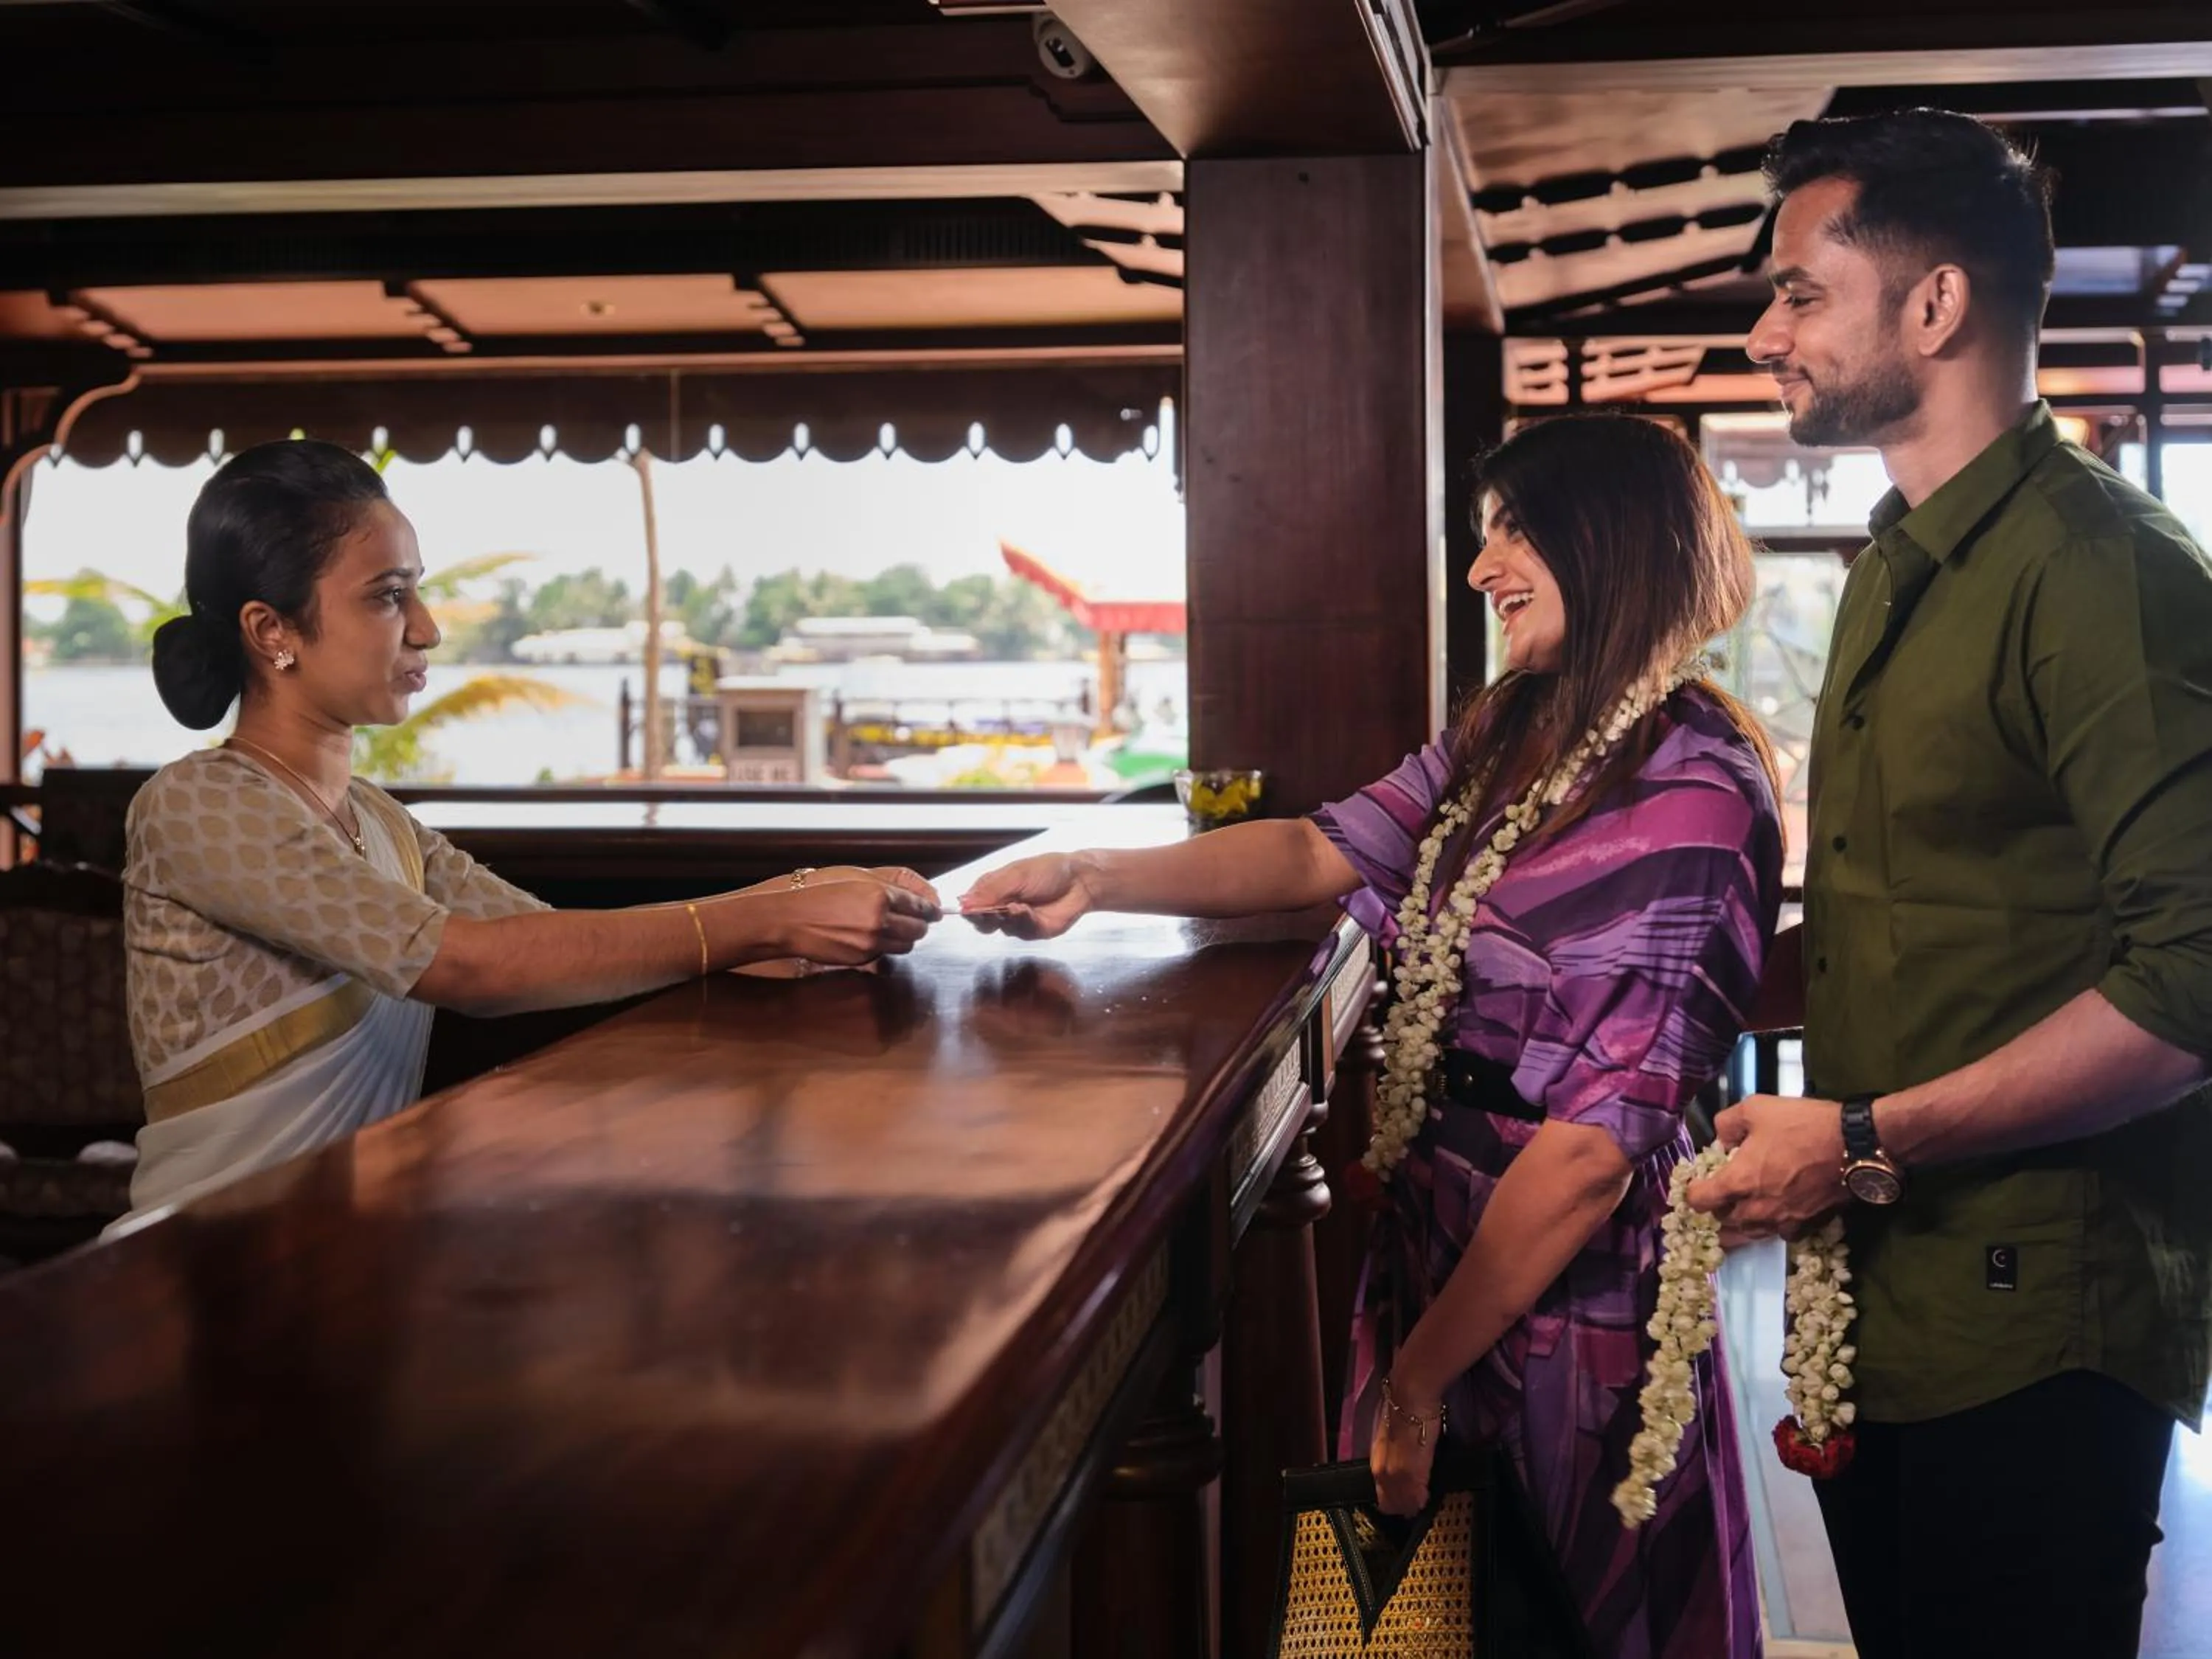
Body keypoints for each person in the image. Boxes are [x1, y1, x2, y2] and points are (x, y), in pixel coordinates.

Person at [964, 414, 1783, 1659]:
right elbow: (1324, 847)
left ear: (1609, 540)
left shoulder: (1696, 790)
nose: (1480, 569)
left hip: (1567, 1297)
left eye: (1512, 531)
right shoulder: (1514, 728)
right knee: (1404, 1619)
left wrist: (1420, 1381)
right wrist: (1091, 872)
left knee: (1550, 1613)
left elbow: (1590, 1155)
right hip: (1437, 1242)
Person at [1688, 109, 2212, 1659]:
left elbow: (2195, 981)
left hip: (2043, 1318)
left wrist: (1852, 1140)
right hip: (1898, 1308)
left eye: (1797, 291)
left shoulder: (2103, 570)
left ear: (1935, 307)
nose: (1765, 329)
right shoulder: (1904, 567)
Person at [118, 439, 941, 1229]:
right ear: (273, 632)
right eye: (387, 595)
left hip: (336, 1248)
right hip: (200, 1262)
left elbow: (546, 943)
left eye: (419, 591)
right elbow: (471, 964)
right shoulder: (196, 803)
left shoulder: (376, 822)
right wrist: (771, 918)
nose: (428, 628)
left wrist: (803, 900)